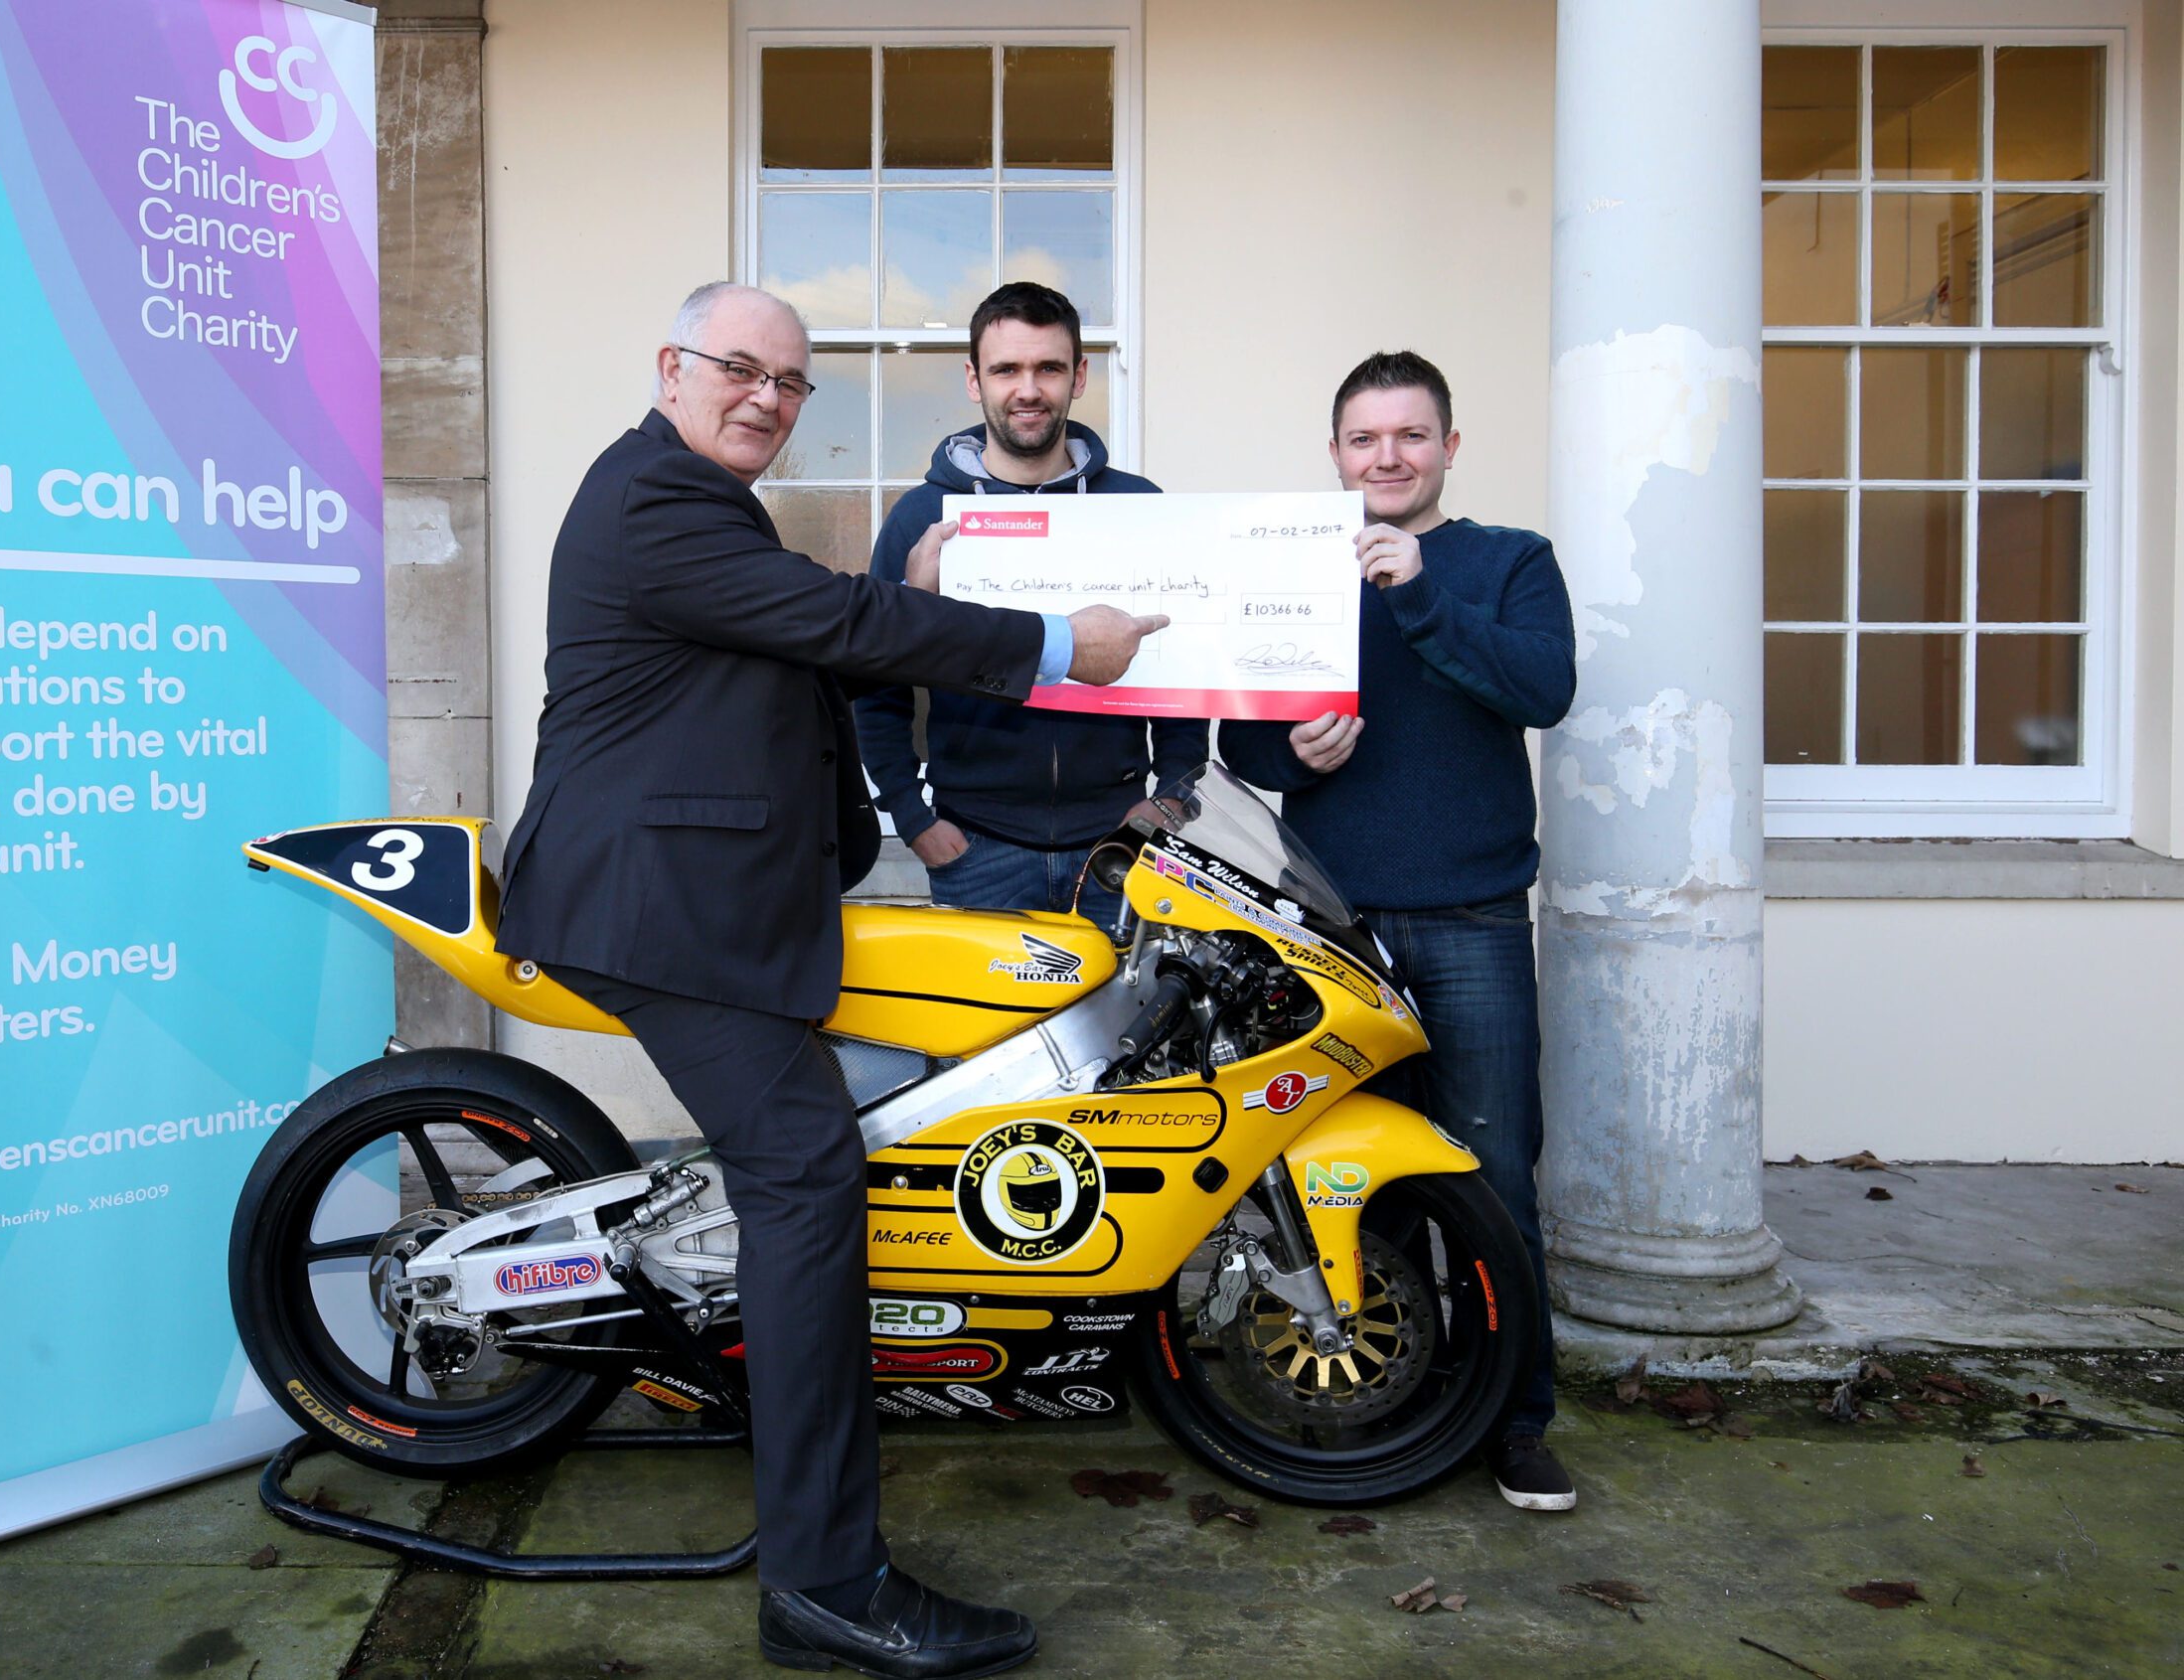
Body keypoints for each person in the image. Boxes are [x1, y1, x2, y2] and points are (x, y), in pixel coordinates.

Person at [498, 281, 1165, 1677]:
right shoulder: (652, 497)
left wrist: (854, 824)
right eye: (739, 368)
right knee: (804, 1178)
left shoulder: (688, 499)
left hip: (712, 897)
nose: (765, 397)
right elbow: (838, 626)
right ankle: (823, 1579)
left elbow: (770, 666)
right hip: (658, 909)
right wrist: (1052, 646)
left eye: (791, 383)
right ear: (669, 365)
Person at [1216, 350, 1580, 1514]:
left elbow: (1542, 687)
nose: (1386, 457)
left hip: (1473, 919)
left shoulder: (1508, 562)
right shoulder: (1295, 569)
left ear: (1449, 448)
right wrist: (1291, 754)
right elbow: (1243, 742)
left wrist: (1417, 588)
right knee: (1351, 1185)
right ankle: (1405, 1391)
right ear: (1334, 454)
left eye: (1409, 437)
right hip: (1337, 929)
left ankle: (1518, 1419)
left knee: (1491, 1181)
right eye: (1365, 440)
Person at [858, 282, 1207, 929]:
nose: (1028, 388)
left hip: (1119, 851)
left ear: (1079, 375)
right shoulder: (921, 518)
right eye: (1006, 369)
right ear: (973, 379)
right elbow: (878, 685)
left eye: (1048, 367)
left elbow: (1177, 667)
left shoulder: (1140, 508)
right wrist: (912, 816)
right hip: (976, 849)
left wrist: (1173, 796)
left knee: (1126, 1033)